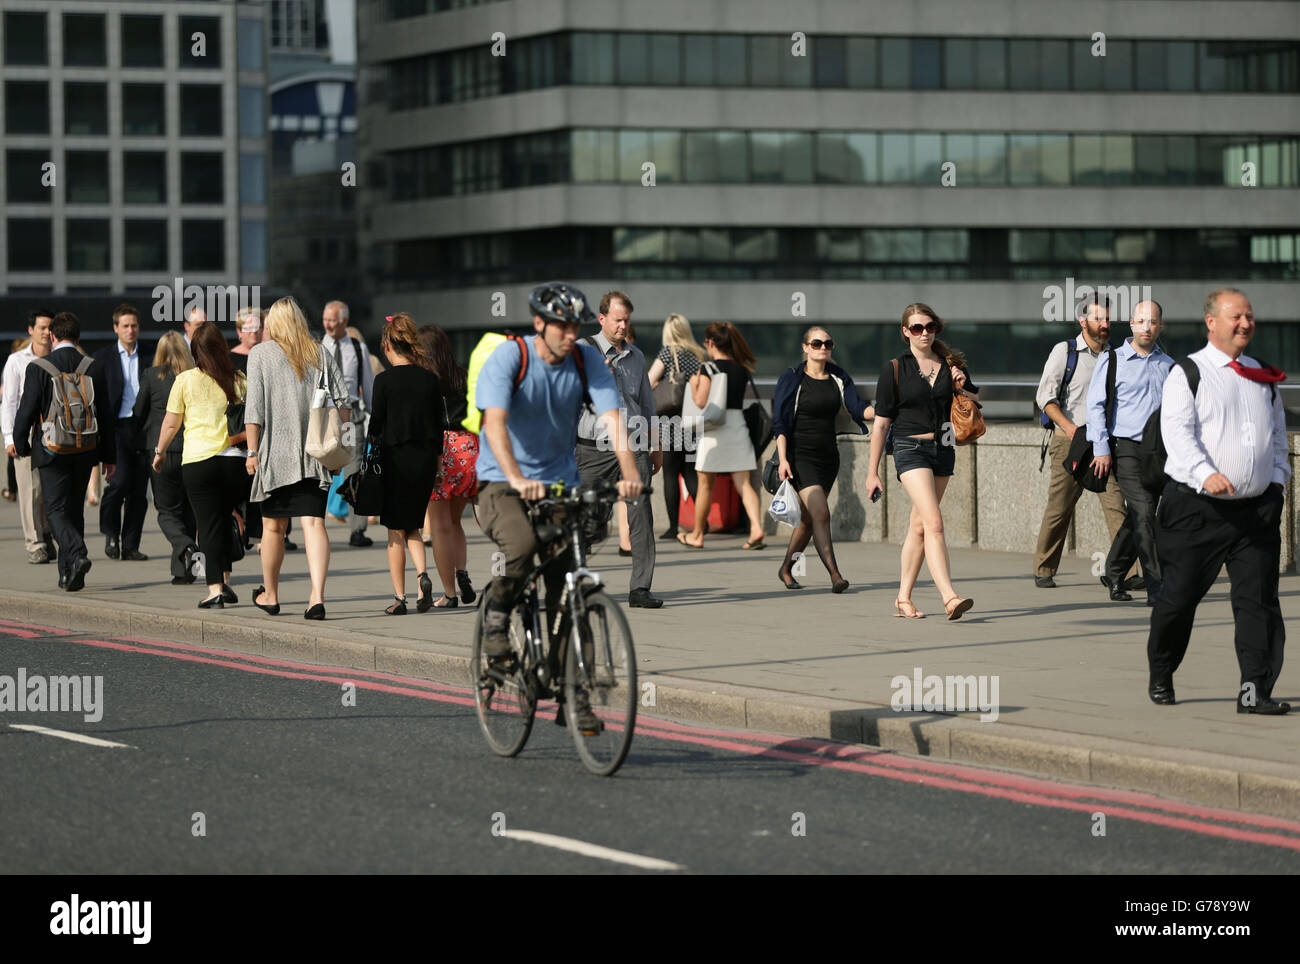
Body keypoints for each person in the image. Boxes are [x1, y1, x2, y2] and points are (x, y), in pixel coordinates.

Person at [476, 282, 639, 734]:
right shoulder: (512, 358)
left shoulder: (587, 362)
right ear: (539, 324)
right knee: (523, 545)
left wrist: (630, 473)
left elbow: (614, 419)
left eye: (575, 326)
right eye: (563, 326)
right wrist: (515, 478)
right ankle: (495, 621)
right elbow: (494, 424)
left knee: (569, 586)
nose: (571, 334)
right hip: (499, 483)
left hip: (559, 486)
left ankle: (573, 694)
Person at [1147, 288, 1290, 715]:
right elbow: (1178, 435)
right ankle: (1162, 670)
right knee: (1179, 598)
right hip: (1196, 510)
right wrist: (1206, 474)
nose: (1245, 323)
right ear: (1212, 322)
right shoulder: (1188, 372)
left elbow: (1278, 436)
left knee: (1258, 603)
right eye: (1236, 317)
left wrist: (1278, 482)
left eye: (1249, 316)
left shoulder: (1263, 374)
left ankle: (1254, 690)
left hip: (1256, 511)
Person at [865, 304, 977, 620]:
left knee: (918, 526)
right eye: (917, 328)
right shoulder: (894, 369)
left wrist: (960, 385)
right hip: (909, 448)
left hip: (943, 446)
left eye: (929, 327)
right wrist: (872, 471)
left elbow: (976, 401)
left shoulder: (951, 364)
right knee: (934, 522)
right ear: (905, 332)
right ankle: (950, 597)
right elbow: (882, 424)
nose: (924, 332)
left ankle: (902, 598)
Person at [245, 296, 351, 620]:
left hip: (275, 457)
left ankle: (271, 594)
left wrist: (251, 451)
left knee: (273, 528)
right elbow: (343, 401)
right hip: (315, 454)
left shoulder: (260, 354)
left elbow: (255, 410)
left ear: (273, 324)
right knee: (315, 524)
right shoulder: (319, 351)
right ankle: (316, 596)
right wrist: (340, 441)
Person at [1032, 295, 1136, 589]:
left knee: (1116, 505)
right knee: (1060, 506)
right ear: (1083, 321)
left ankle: (1126, 572)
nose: (1104, 325)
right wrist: (1070, 430)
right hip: (1071, 440)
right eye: (1098, 319)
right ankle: (1043, 568)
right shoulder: (1065, 351)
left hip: (1104, 442)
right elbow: (1045, 399)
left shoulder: (1115, 356)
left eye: (1107, 319)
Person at [11, 312, 116, 592]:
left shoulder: (39, 367)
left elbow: (26, 410)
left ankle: (77, 552)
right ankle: (68, 575)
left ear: (53, 337)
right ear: (78, 337)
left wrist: (20, 445)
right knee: (74, 511)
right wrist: (109, 457)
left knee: (56, 511)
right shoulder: (93, 366)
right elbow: (105, 414)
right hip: (85, 450)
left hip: (51, 450)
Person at [152, 322, 249, 608]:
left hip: (199, 462)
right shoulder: (238, 378)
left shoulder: (184, 380)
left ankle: (215, 588)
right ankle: (228, 580)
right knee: (224, 518)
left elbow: (171, 423)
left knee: (207, 526)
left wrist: (160, 452)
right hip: (234, 462)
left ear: (195, 349)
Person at [577, 291, 663, 609]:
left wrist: (657, 445)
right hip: (592, 448)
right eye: (617, 320)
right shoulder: (584, 352)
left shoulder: (637, 357)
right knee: (590, 519)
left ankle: (640, 588)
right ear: (602, 319)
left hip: (636, 445)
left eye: (627, 320)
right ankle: (572, 582)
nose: (623, 326)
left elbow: (647, 404)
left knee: (641, 514)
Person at [1084, 300, 1174, 602]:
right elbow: (1095, 406)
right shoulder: (1113, 360)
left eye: (1152, 321)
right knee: (1145, 513)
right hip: (1126, 449)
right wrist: (1101, 448)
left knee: (1139, 515)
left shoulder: (1169, 366)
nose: (1146, 327)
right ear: (1132, 324)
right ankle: (1156, 586)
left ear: (1160, 326)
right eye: (1140, 321)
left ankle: (1112, 571)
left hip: (1159, 453)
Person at [772, 326, 874, 592]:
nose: (823, 348)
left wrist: (883, 411)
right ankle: (835, 575)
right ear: (805, 347)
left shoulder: (839, 376)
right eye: (816, 344)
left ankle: (785, 568)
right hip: (799, 456)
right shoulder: (792, 378)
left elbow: (857, 407)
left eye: (828, 344)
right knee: (821, 513)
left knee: (808, 519)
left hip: (829, 457)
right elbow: (780, 423)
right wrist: (783, 459)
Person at [367, 314, 443, 614]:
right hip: (424, 462)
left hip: (394, 460)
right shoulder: (430, 380)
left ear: (387, 345)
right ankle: (422, 575)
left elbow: (375, 426)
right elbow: (439, 427)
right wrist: (437, 468)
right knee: (412, 522)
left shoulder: (383, 381)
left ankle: (399, 598)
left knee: (394, 532)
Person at [677, 322, 765, 550]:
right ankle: (756, 528)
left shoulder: (708, 368)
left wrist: (694, 383)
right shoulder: (741, 368)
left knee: (705, 484)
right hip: (737, 425)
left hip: (714, 429)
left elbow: (700, 401)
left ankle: (697, 534)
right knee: (744, 484)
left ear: (711, 343)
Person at [419, 323, 477, 607]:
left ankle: (450, 593)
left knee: (439, 526)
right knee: (455, 522)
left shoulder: (423, 380)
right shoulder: (463, 374)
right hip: (468, 450)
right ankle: (462, 572)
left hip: (440, 451)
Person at [133, 332, 199, 584]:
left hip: (160, 449)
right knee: (189, 511)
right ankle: (184, 572)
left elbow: (139, 411)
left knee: (166, 511)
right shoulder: (195, 376)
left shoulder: (151, 376)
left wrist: (136, 440)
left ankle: (185, 545)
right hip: (191, 448)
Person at [92, 304, 150, 562]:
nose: (130, 330)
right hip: (116, 428)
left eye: (134, 325)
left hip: (143, 428)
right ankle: (110, 533)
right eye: (125, 326)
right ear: (116, 328)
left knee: (139, 490)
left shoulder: (150, 355)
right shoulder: (102, 358)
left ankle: (130, 545)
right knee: (118, 483)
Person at [2, 311, 57, 564]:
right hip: (26, 431)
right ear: (31, 330)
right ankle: (35, 543)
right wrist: (9, 437)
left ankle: (46, 533)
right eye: (42, 327)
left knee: (50, 489)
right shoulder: (16, 360)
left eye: (50, 328)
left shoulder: (60, 357)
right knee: (30, 490)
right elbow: (9, 402)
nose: (46, 332)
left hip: (55, 431)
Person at [322, 300, 375, 548]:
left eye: (333, 320)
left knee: (356, 472)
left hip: (352, 414)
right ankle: (315, 526)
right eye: (326, 320)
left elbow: (368, 384)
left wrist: (375, 416)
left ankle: (357, 530)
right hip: (325, 414)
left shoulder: (357, 347)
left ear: (344, 321)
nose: (328, 324)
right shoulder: (318, 347)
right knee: (321, 472)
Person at [647, 313, 705, 539]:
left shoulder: (668, 353)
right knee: (690, 473)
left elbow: (650, 380)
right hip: (692, 421)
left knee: (670, 474)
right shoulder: (698, 355)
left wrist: (660, 385)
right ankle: (702, 523)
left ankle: (673, 527)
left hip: (671, 421)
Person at [229, 306, 261, 374]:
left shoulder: (268, 355)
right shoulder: (229, 359)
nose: (254, 331)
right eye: (249, 327)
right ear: (239, 331)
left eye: (257, 327)